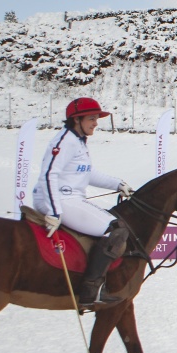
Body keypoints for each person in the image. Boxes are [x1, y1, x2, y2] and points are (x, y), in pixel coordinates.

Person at [32, 97, 134, 308]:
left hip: (68, 199)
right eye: (91, 118)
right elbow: (48, 174)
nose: (96, 123)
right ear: (76, 120)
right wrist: (53, 211)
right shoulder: (65, 141)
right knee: (115, 230)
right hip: (59, 200)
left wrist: (118, 184)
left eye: (96, 118)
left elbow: (87, 173)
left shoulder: (78, 141)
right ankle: (91, 288)